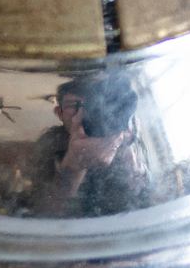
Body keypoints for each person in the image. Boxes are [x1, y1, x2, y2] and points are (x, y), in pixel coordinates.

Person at [33, 74, 146, 216]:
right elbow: (43, 211)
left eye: (91, 105)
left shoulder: (122, 135)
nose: (83, 111)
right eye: (73, 105)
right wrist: (73, 164)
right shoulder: (51, 142)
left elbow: (145, 200)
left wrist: (126, 150)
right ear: (59, 113)